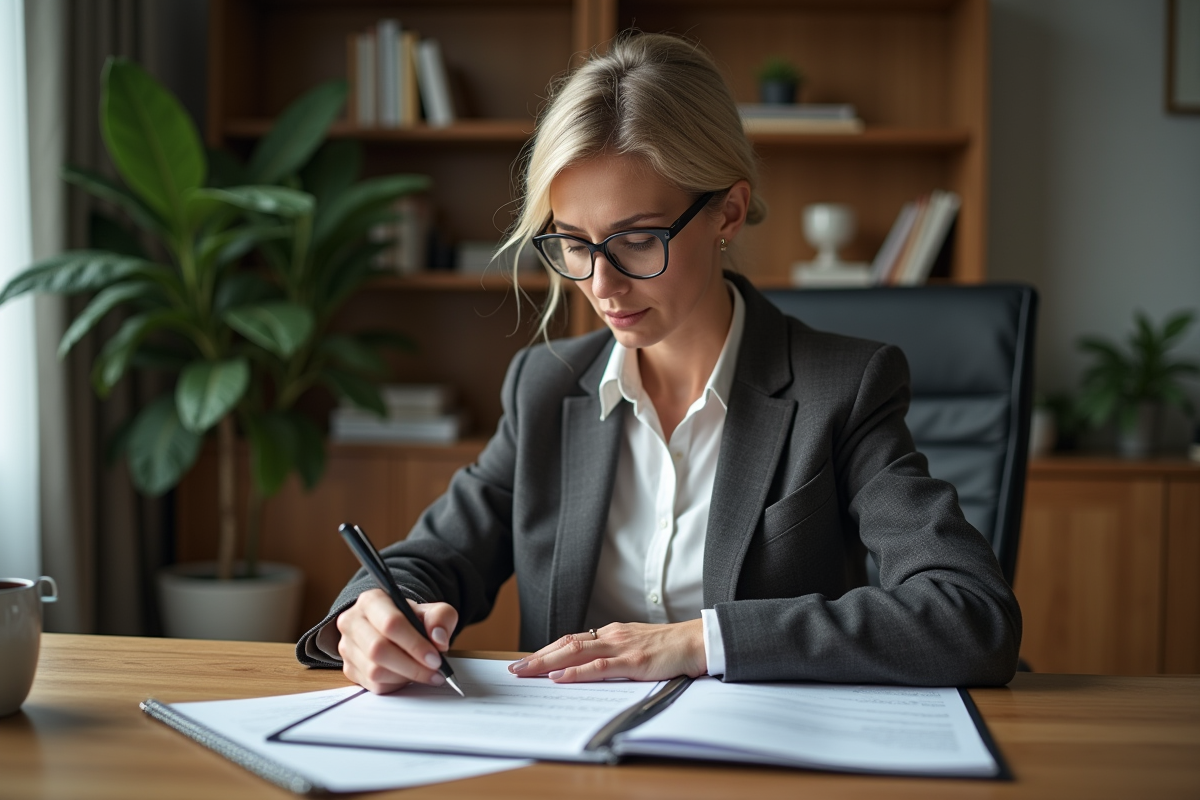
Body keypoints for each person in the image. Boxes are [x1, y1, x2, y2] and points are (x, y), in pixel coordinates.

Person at [296, 32, 1021, 691]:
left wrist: (699, 642)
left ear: (728, 214)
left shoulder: (844, 389)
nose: (600, 286)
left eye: (638, 239)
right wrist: (366, 616)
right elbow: (428, 561)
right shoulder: (546, 388)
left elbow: (969, 614)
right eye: (573, 243)